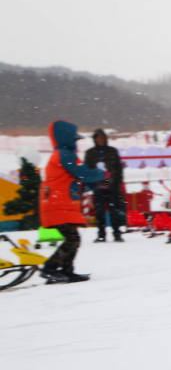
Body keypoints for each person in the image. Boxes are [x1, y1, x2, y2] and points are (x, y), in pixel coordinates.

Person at [39, 121, 105, 284]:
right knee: (72, 239)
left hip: (59, 204)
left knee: (74, 239)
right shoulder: (63, 154)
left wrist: (94, 184)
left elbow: (75, 183)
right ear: (65, 138)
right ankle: (50, 268)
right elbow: (82, 173)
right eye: (74, 139)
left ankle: (66, 271)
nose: (76, 143)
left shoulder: (63, 155)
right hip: (57, 205)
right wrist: (100, 174)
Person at [83, 128, 126, 242]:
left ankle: (117, 234)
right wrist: (90, 183)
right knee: (100, 212)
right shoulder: (90, 153)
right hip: (98, 187)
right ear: (95, 139)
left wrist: (117, 183)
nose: (100, 140)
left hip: (112, 187)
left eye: (102, 137)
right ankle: (101, 234)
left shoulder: (112, 151)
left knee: (114, 211)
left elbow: (118, 169)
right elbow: (86, 170)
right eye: (98, 138)